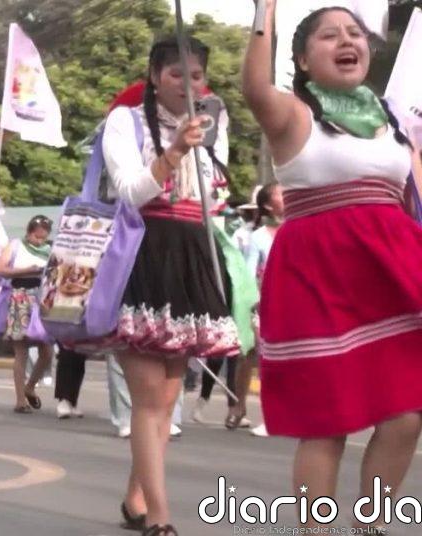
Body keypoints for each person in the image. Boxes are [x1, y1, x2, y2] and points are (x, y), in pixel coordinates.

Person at [243, 4, 422, 528]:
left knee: (407, 417)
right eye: (329, 36)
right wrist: (264, 12)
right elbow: (254, 87)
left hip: (389, 275)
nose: (348, 41)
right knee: (327, 425)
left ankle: (372, 526)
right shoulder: (292, 113)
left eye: (355, 33)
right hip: (317, 277)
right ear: (301, 58)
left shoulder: (390, 119)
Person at [100, 34, 237, 535]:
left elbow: (213, 196)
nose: (188, 83)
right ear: (156, 76)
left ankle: (137, 496)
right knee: (150, 398)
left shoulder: (214, 124)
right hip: (142, 251)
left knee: (168, 398)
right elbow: (132, 192)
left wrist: (197, 147)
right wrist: (175, 149)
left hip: (192, 252)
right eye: (177, 73)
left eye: (196, 74)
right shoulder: (125, 121)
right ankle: (159, 517)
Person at [233, 182, 283, 438]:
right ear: (267, 205)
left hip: (295, 304)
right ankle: (258, 411)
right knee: (261, 359)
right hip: (266, 305)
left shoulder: (299, 228)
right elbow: (249, 274)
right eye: (279, 193)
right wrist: (253, 307)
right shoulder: (258, 237)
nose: (286, 195)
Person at [0, 215, 55, 414]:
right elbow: (0, 269)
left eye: (43, 238)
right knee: (21, 351)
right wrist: (26, 270)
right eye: (37, 237)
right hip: (20, 297)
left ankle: (30, 386)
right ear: (29, 233)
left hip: (42, 299)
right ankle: (20, 399)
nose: (40, 241)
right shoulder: (16, 245)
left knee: (47, 352)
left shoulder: (50, 250)